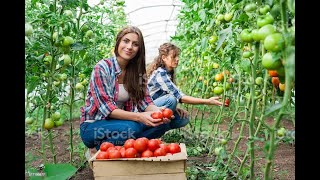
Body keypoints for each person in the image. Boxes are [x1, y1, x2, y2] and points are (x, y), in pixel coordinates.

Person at [80, 26, 173, 155]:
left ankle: (125, 146)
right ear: (118, 42)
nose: (129, 47)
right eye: (126, 41)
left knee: (162, 124)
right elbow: (107, 109)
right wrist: (140, 117)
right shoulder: (102, 68)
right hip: (93, 126)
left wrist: (159, 113)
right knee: (132, 128)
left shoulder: (138, 73)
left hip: (121, 123)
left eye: (135, 44)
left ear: (139, 49)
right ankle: (99, 148)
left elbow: (145, 102)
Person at [146, 42, 224, 123]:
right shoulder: (160, 74)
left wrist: (175, 109)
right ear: (164, 57)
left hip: (156, 106)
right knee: (171, 100)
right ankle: (145, 131)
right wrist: (207, 101)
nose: (177, 59)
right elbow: (180, 97)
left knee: (183, 119)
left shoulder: (168, 73)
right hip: (147, 109)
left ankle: (153, 134)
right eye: (174, 56)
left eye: (178, 56)